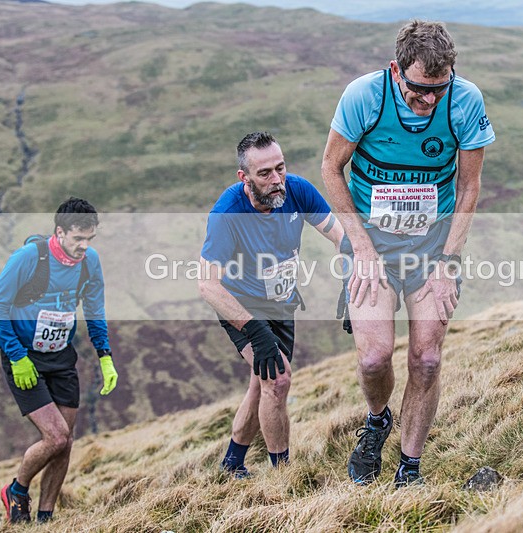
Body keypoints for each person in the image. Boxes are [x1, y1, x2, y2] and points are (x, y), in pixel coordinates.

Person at [321, 19, 495, 487]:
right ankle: (378, 420)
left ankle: (409, 470)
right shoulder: (363, 96)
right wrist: (360, 247)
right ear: (396, 70)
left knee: (427, 359)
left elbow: (469, 186)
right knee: (374, 358)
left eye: (439, 89)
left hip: (431, 246)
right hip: (372, 244)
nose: (429, 101)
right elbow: (331, 168)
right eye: (419, 89)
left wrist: (448, 262)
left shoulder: (465, 100)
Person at [198, 131, 343, 478]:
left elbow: (341, 235)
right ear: (244, 178)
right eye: (264, 173)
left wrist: (352, 282)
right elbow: (207, 284)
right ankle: (283, 476)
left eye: (280, 168)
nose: (277, 179)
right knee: (277, 381)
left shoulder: (298, 190)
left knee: (261, 384)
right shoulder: (227, 213)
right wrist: (254, 330)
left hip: (281, 303)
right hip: (240, 306)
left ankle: (232, 463)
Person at [0, 197, 118, 523]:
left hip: (61, 356)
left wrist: (105, 355)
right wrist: (17, 357)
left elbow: (94, 309)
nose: (84, 246)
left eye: (90, 239)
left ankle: (46, 517)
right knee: (56, 436)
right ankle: (16, 490)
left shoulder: (89, 261)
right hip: (24, 357)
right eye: (78, 238)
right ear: (59, 232)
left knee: (65, 442)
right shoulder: (29, 257)